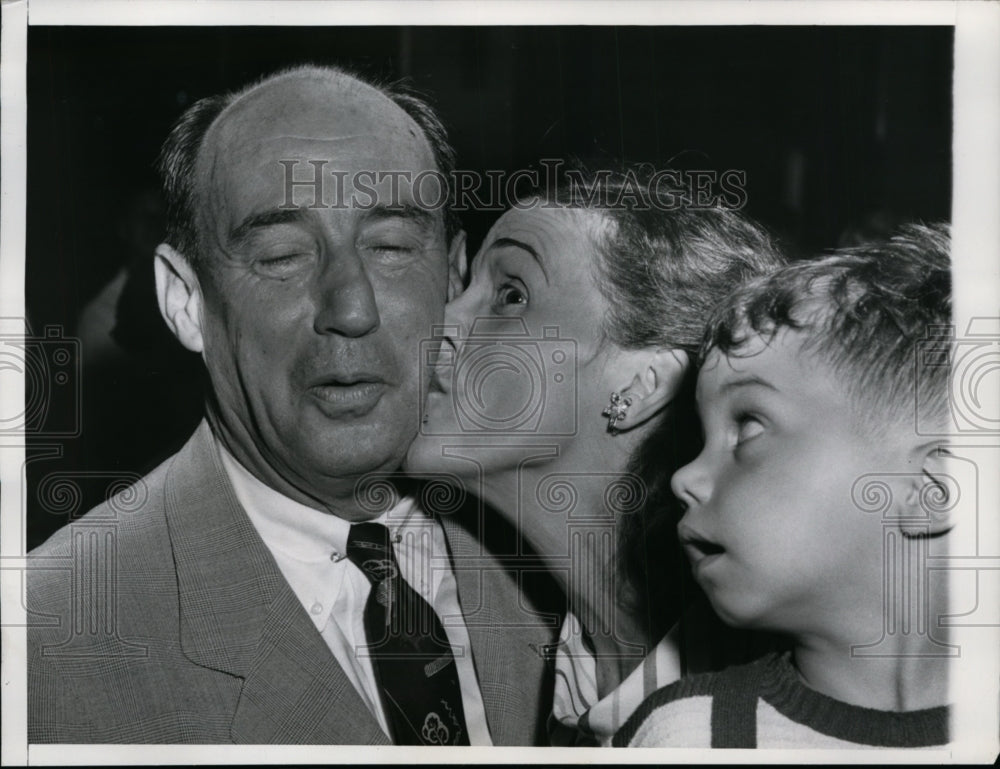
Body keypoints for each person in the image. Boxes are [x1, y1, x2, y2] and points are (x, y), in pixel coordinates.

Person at [27, 65, 557, 745]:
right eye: (281, 255)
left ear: (454, 276)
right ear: (185, 302)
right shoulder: (49, 639)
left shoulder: (554, 555)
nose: (352, 308)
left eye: (392, 247)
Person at [405, 167, 787, 745]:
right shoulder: (556, 670)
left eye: (511, 295)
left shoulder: (774, 713)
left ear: (640, 385)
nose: (440, 323)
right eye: (464, 289)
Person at [615, 223, 953, 748]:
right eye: (702, 438)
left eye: (747, 424)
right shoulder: (686, 737)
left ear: (931, 490)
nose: (684, 478)